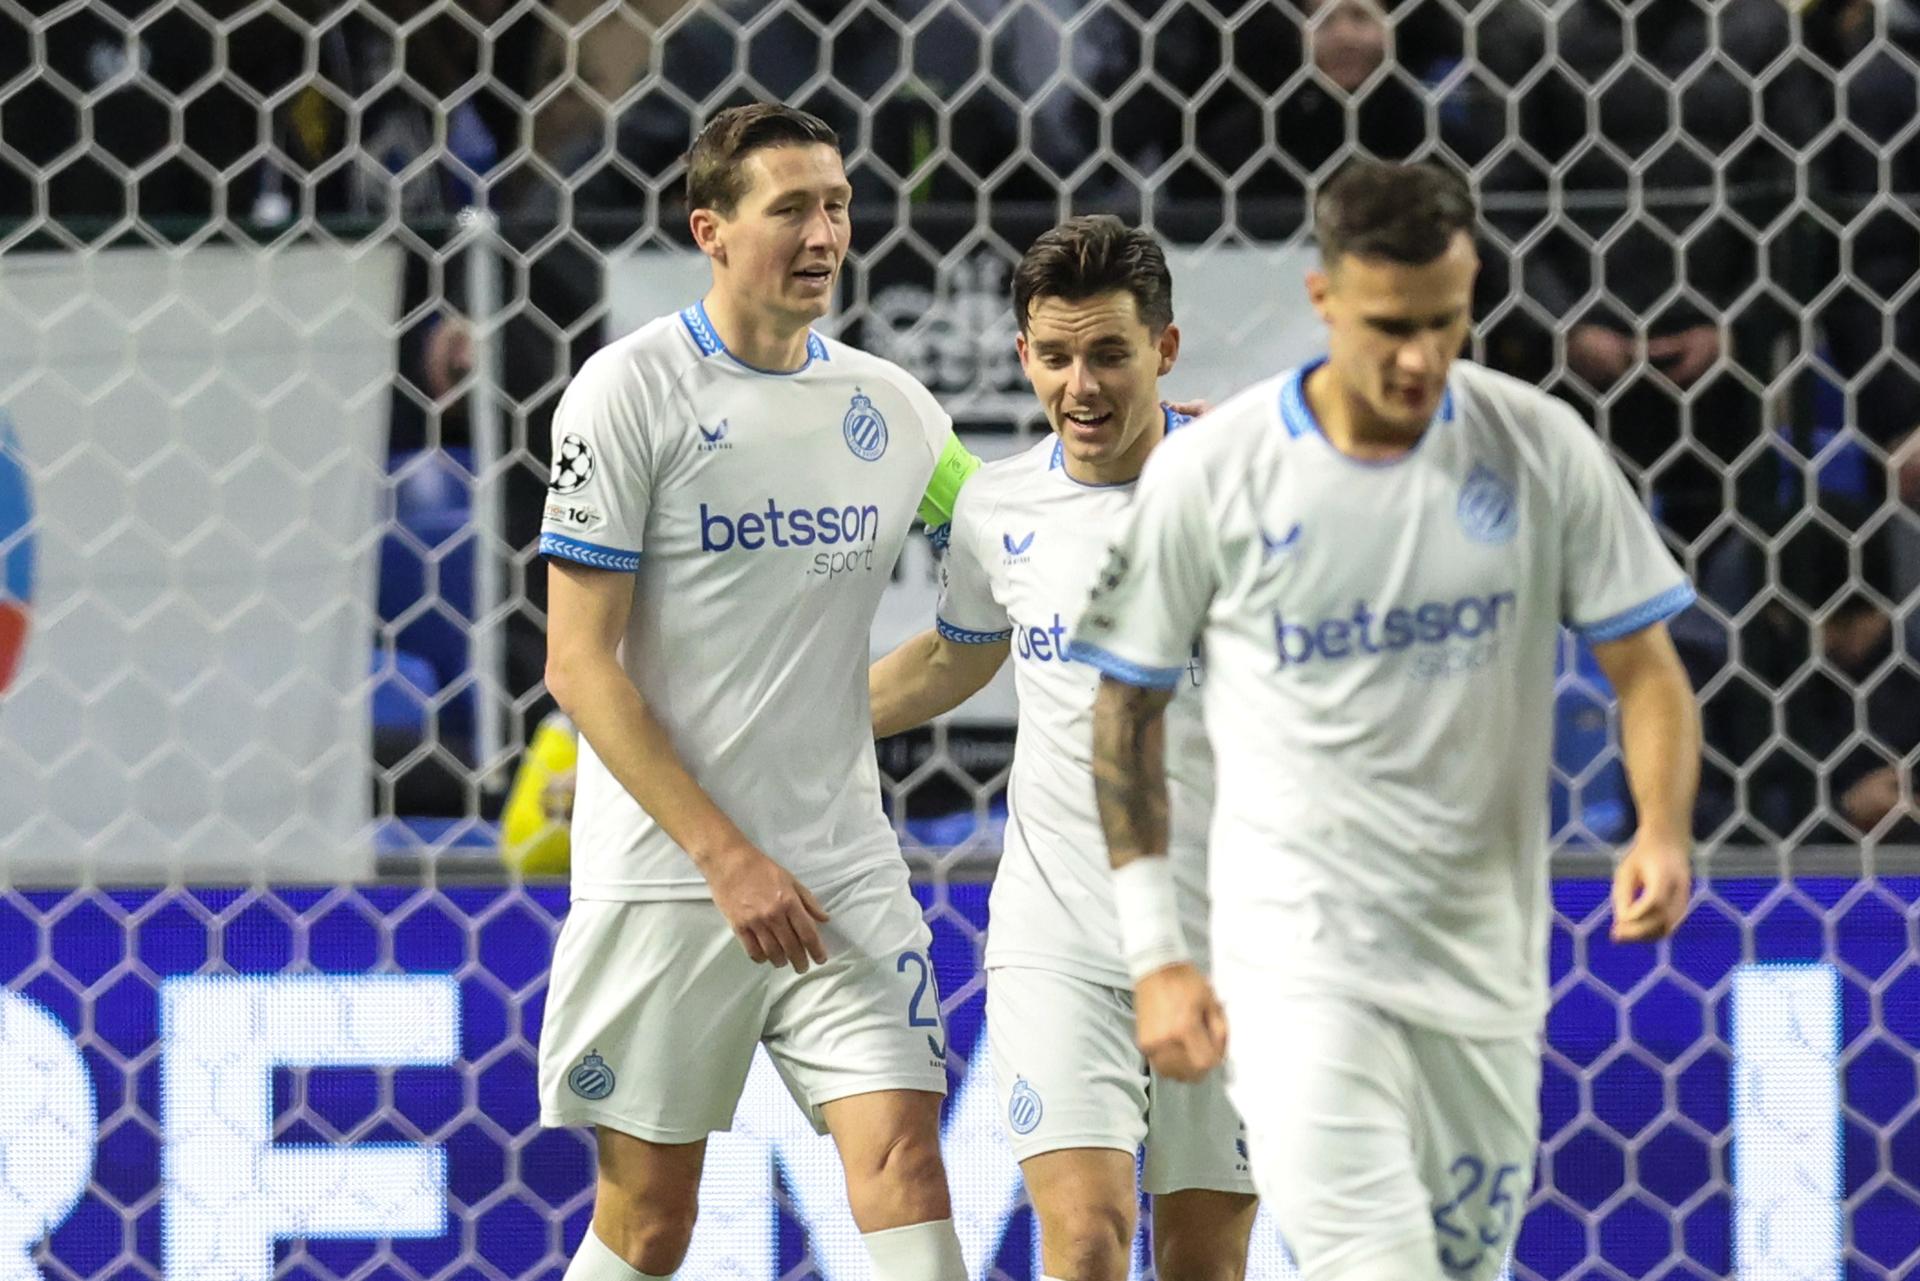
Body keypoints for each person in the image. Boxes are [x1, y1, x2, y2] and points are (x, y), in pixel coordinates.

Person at [1067, 160, 1702, 1280]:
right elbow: (1125, 713)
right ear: (1323, 301)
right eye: (1389, 327)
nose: (1420, 358)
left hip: (1484, 968)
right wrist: (1158, 953)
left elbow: (1646, 670)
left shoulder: (1539, 447)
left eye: (1446, 323)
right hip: (1296, 965)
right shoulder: (1217, 473)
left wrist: (1659, 826)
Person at [535, 103, 980, 1281]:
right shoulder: (625, 394)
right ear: (712, 231)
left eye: (836, 204)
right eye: (791, 207)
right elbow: (576, 662)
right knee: (650, 1226)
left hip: (839, 869)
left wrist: (1136, 459)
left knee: (908, 1166)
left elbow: (1004, 541)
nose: (825, 230)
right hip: (674, 879)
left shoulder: (893, 409)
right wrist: (728, 858)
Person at [869, 215, 1259, 1281]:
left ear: (1165, 351)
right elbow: (956, 658)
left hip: (1228, 935)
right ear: (1023, 358)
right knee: (1084, 1243)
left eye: (1109, 355)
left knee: (1204, 1266)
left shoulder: (1245, 493)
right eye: (1055, 356)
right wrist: (780, 732)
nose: (1080, 385)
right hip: (1059, 935)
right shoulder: (997, 508)